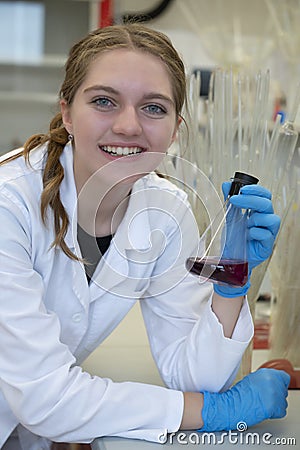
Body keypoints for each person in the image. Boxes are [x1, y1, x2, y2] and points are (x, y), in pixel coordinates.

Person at [0, 23, 289, 450]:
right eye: (103, 101)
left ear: (175, 129)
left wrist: (230, 282)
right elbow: (47, 399)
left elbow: (193, 376)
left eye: (154, 108)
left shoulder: (165, 210)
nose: (129, 126)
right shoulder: (10, 205)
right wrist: (212, 413)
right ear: (66, 112)